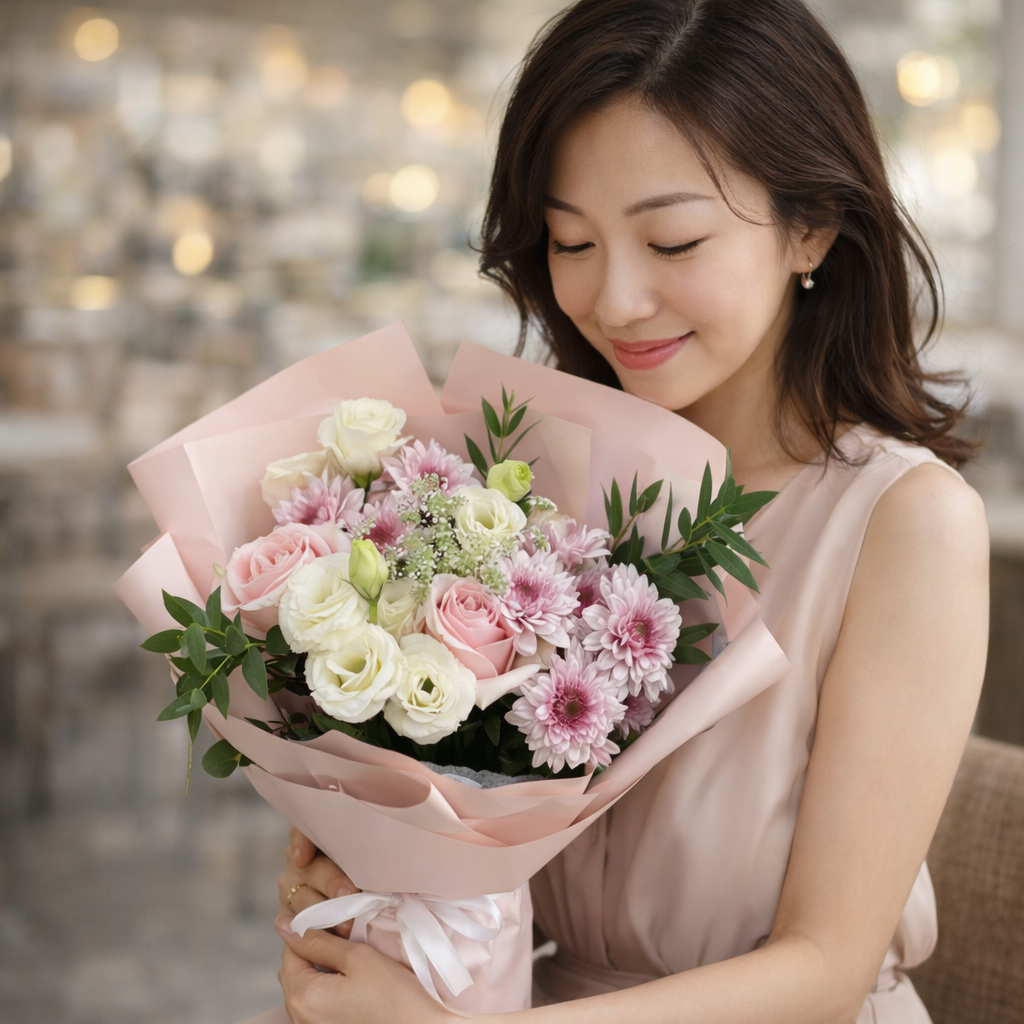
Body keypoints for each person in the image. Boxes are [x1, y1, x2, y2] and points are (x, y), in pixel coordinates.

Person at [272, 2, 990, 1022]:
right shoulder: (533, 488)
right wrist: (377, 884)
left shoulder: (904, 525)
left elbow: (823, 968)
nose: (611, 301)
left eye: (672, 240)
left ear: (811, 226)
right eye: (571, 240)